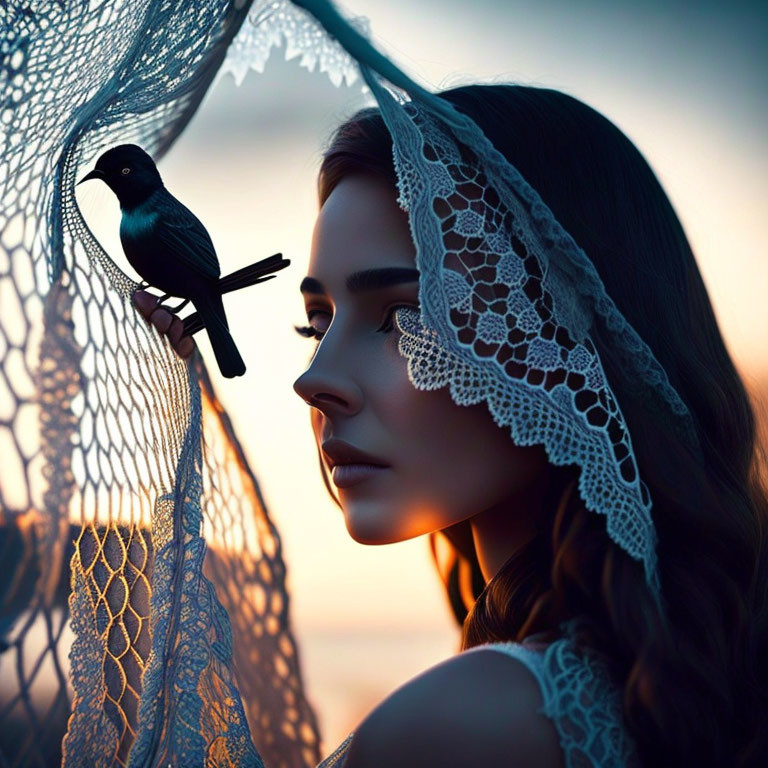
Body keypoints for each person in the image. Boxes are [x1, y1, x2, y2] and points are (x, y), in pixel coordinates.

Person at [133, 84, 768, 766]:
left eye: (404, 316)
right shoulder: (680, 681)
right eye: (315, 325)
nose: (313, 380)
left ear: (566, 342)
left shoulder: (454, 727)